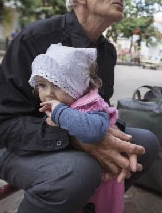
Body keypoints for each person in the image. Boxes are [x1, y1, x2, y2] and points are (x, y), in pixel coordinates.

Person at [0, 0, 160, 213]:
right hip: (17, 149)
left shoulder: (106, 52)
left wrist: (108, 134)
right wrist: (74, 137)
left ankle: (89, 204)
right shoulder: (35, 38)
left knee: (145, 144)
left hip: (78, 136)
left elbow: (98, 106)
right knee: (79, 172)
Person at [29, 43, 126, 213]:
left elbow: (94, 131)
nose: (49, 93)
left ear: (78, 86)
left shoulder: (90, 105)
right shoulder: (64, 104)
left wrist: (60, 113)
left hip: (103, 185)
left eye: (58, 85)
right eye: (42, 85)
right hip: (79, 179)